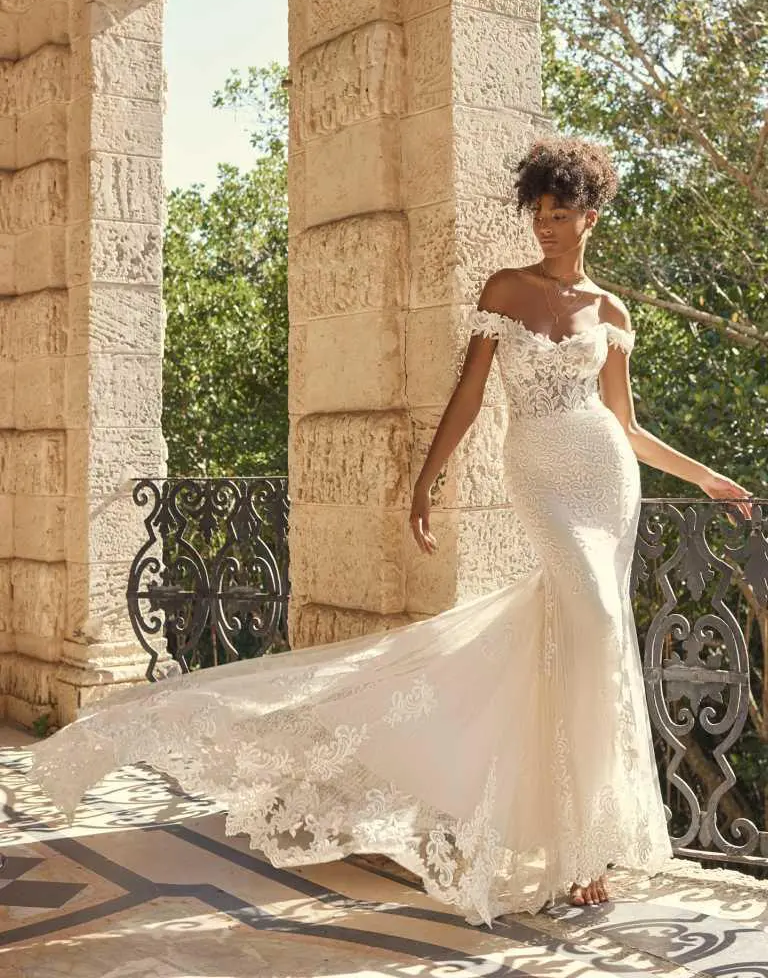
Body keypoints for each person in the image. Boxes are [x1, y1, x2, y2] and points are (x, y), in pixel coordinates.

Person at [27, 136, 754, 929]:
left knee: (591, 641)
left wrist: (708, 477)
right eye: (537, 213)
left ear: (591, 215)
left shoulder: (610, 312)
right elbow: (470, 397)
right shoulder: (506, 289)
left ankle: (583, 846)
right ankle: (571, 842)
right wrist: (427, 478)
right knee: (596, 620)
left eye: (559, 213)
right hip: (541, 473)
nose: (544, 225)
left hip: (608, 476)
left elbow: (627, 424)